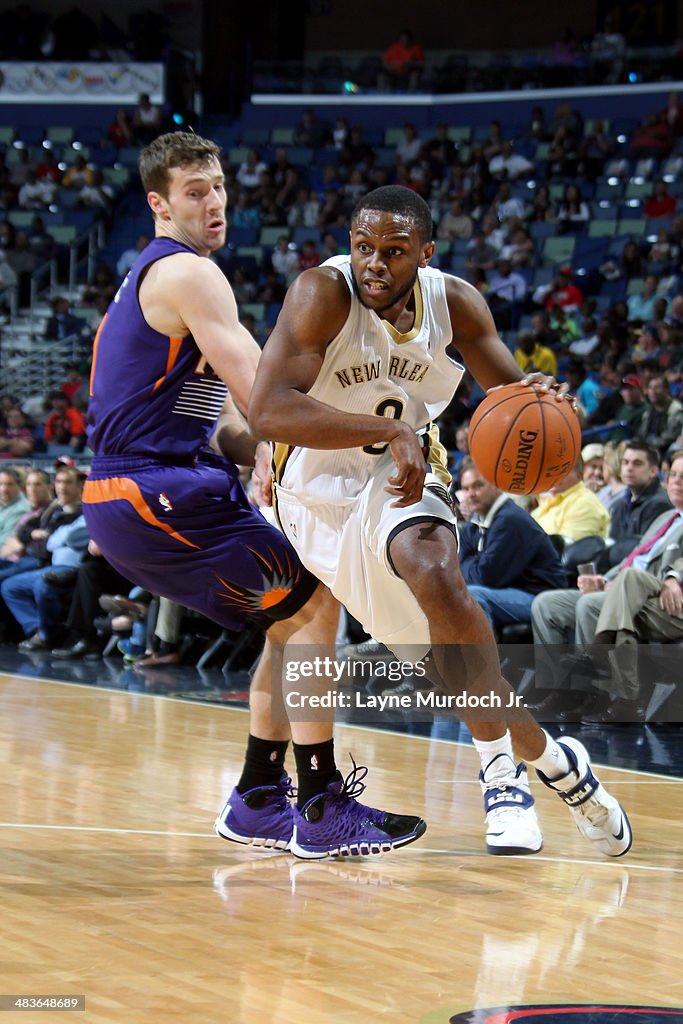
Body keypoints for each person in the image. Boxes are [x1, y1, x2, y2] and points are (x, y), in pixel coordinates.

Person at [249, 183, 631, 858]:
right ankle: (558, 767)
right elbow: (269, 410)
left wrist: (543, 402)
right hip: (312, 494)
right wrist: (380, 428)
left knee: (433, 565)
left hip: (402, 473)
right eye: (363, 247)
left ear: (424, 254)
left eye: (393, 252)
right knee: (448, 670)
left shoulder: (452, 303)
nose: (374, 264)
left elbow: (512, 401)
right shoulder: (320, 294)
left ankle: (499, 780)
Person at [81, 132, 421, 861]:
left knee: (291, 617)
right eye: (194, 190)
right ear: (157, 204)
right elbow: (268, 401)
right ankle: (323, 806)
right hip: (149, 489)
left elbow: (226, 418)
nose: (213, 202)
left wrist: (255, 446)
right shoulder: (188, 275)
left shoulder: (148, 279)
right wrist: (388, 432)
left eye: (218, 185)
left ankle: (260, 799)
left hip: (163, 481)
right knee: (314, 605)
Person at [457, 458, 566, 634]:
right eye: (466, 488)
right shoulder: (474, 524)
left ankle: (484, 661)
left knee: (474, 596)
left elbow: (487, 577)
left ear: (496, 486)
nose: (471, 494)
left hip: (540, 595)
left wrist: (469, 563)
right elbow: (459, 569)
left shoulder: (509, 520)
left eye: (478, 486)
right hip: (508, 591)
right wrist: (471, 564)